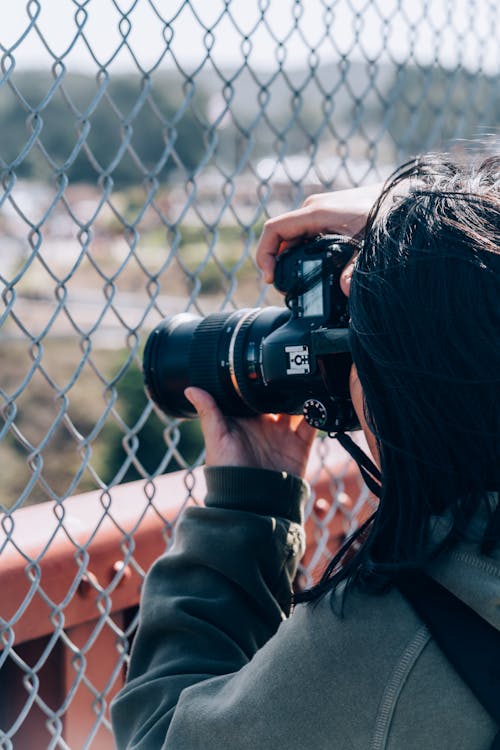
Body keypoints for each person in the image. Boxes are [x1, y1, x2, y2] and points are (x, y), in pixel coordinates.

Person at [111, 154, 500, 749]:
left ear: (402, 380)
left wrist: (245, 513)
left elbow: (165, 741)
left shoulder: (395, 643)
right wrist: (448, 228)